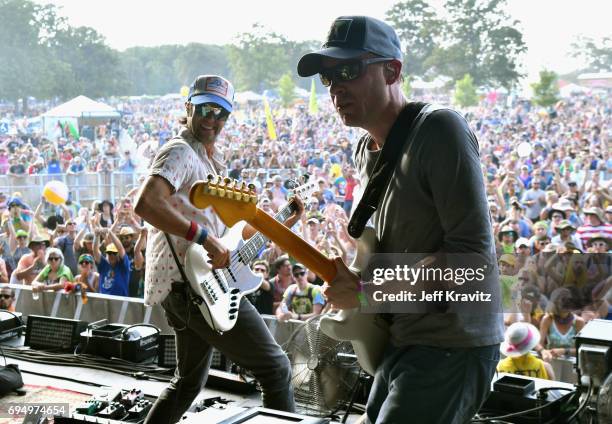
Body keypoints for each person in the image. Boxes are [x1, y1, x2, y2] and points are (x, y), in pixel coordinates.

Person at [297, 16, 503, 423]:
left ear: (393, 70)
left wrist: (364, 292)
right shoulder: (365, 150)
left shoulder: (440, 130)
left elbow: (473, 264)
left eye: (348, 70)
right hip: (401, 336)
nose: (336, 86)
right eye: (327, 77)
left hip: (450, 343)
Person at [135, 74, 299, 423]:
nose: (213, 119)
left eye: (221, 113)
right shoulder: (180, 151)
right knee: (276, 368)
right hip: (191, 288)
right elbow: (147, 204)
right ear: (188, 107)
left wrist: (283, 222)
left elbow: (225, 239)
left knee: (187, 382)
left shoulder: (209, 161)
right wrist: (204, 238)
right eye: (206, 109)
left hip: (191, 287)